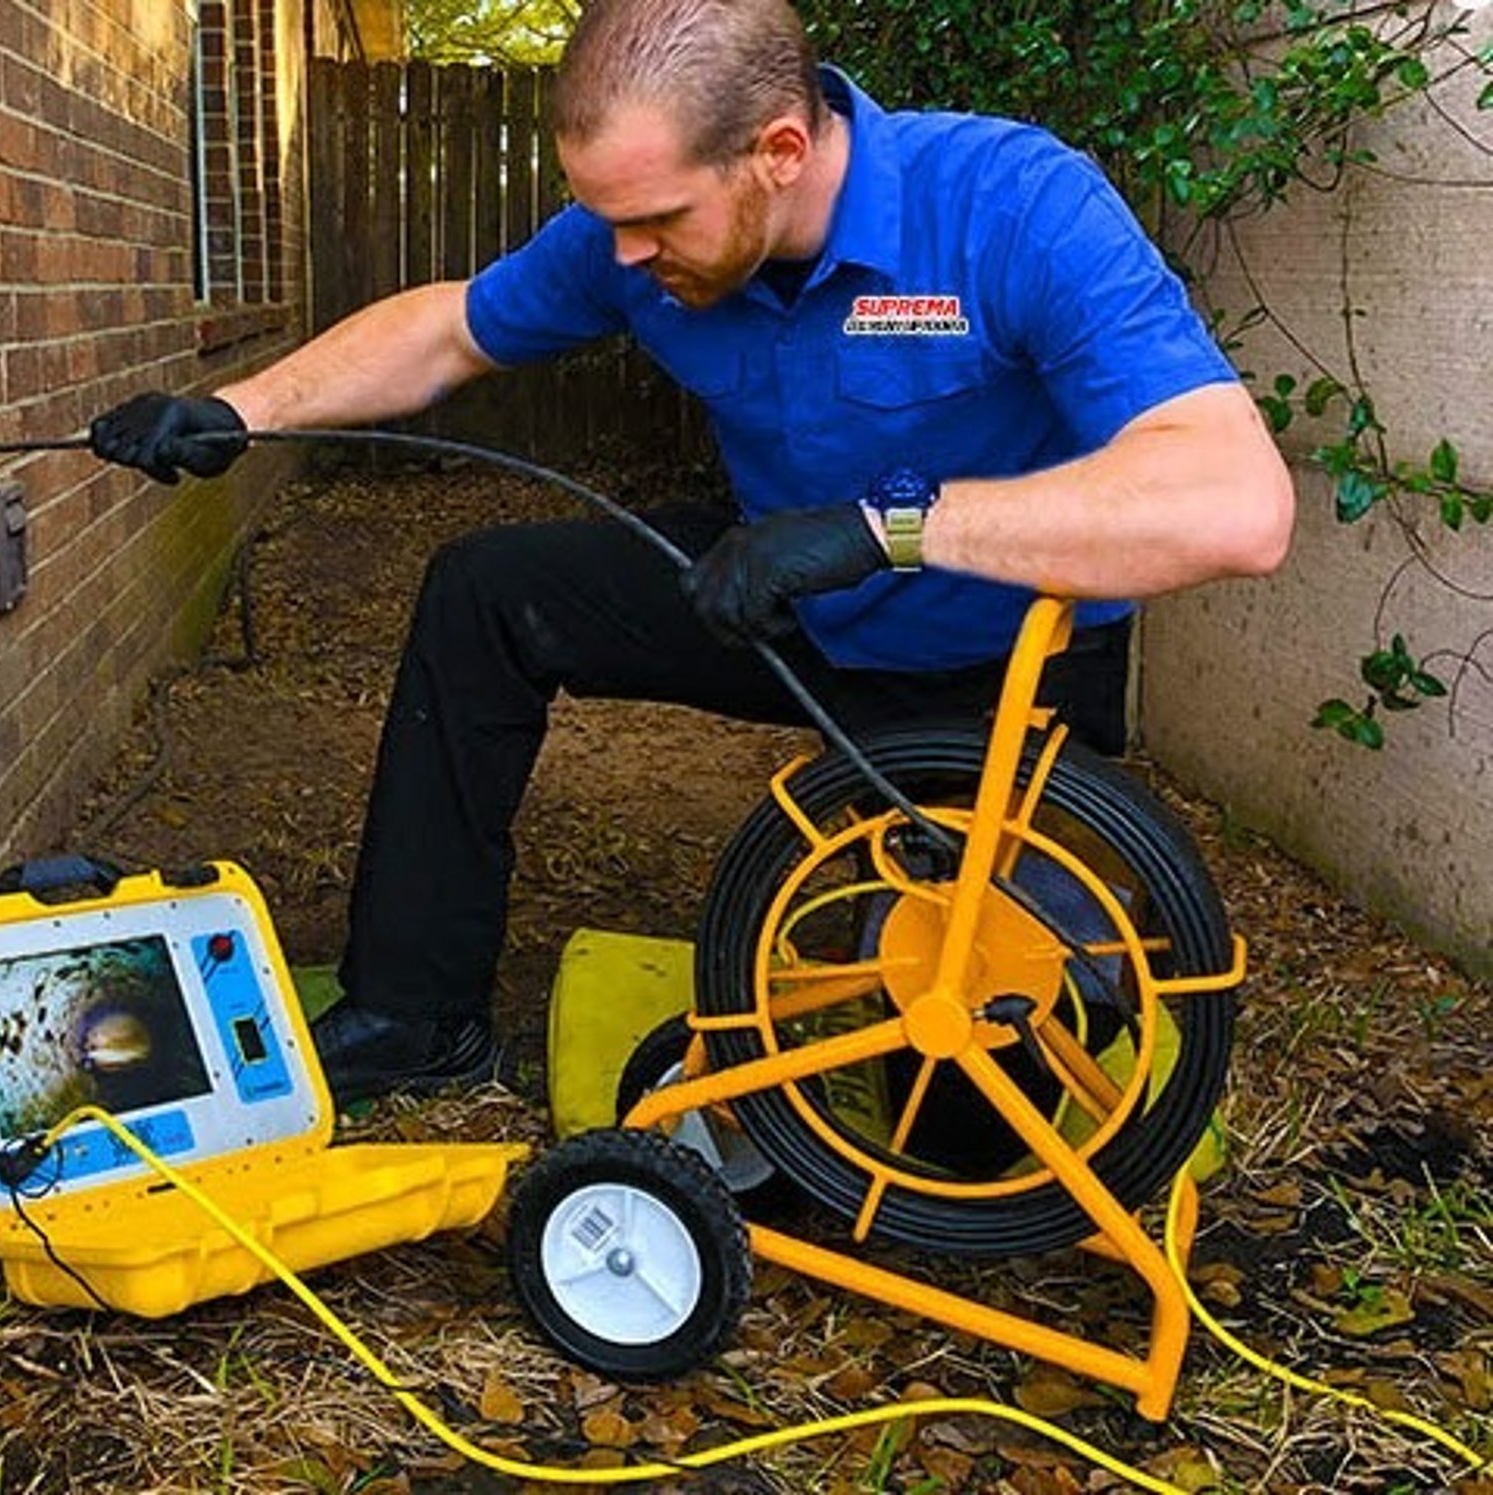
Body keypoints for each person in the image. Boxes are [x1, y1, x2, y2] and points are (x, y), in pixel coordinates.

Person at [91, 0, 1295, 1108]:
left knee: (974, 1096)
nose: (622, 255)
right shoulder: (640, 235)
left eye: (656, 220)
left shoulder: (1009, 204)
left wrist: (893, 531)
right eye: (611, 220)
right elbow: (453, 329)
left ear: (778, 151)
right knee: (491, 597)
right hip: (782, 594)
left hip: (996, 668)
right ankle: (417, 1011)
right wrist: (243, 408)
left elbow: (1234, 503)